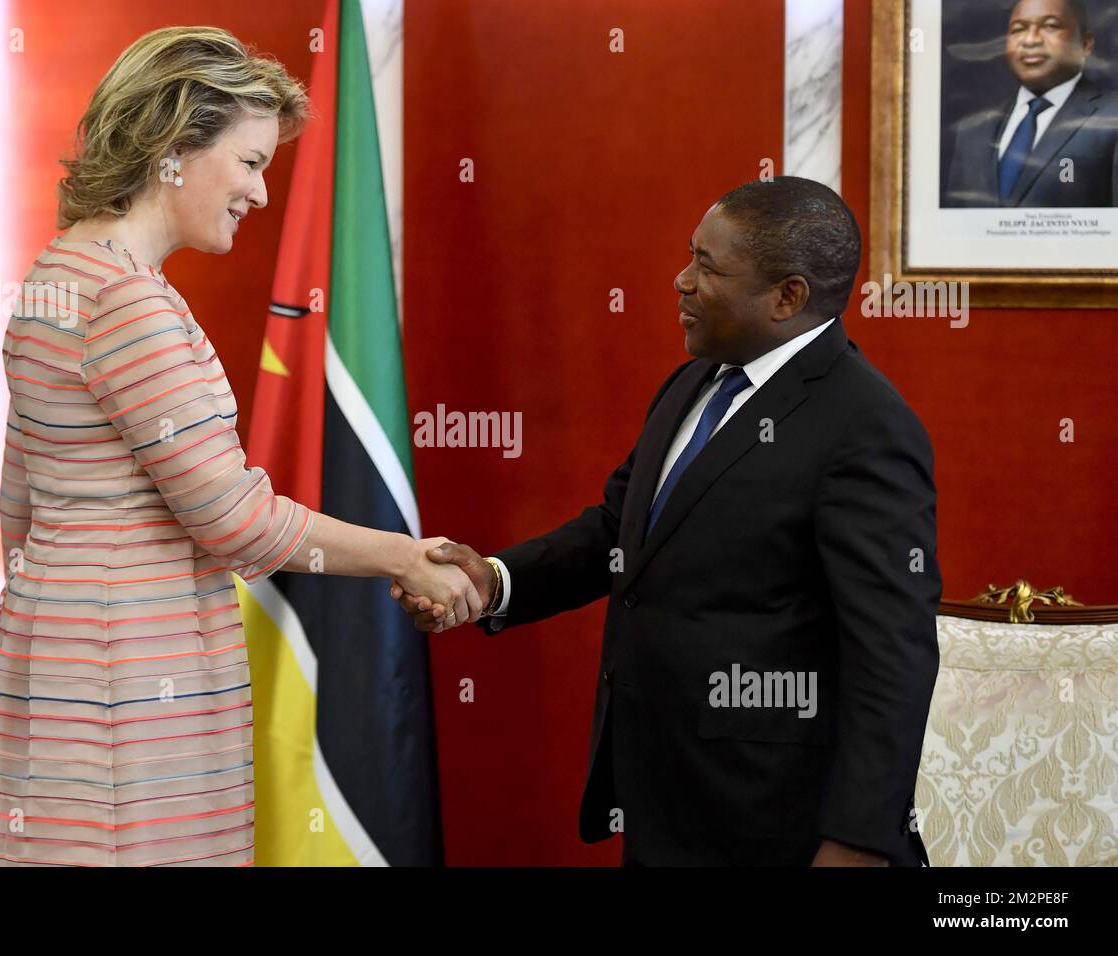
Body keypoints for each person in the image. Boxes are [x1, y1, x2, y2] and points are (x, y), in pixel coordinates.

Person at [0, 25, 478, 867]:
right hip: (129, 686)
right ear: (173, 145)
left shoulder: (56, 278)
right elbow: (236, 522)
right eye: (249, 162)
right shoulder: (130, 306)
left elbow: (19, 503)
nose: (261, 193)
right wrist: (402, 556)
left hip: (55, 668)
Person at [393, 177, 941, 867]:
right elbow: (618, 533)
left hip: (773, 822)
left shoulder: (866, 426)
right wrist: (495, 581)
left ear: (788, 297)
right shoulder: (696, 382)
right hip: (660, 799)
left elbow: (893, 653)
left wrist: (860, 840)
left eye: (708, 267)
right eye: (691, 256)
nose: (681, 280)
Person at [944, 0, 1118, 207]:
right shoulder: (972, 131)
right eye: (1018, 29)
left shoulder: (1111, 117)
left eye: (1050, 26)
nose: (1030, 40)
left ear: (1086, 44)